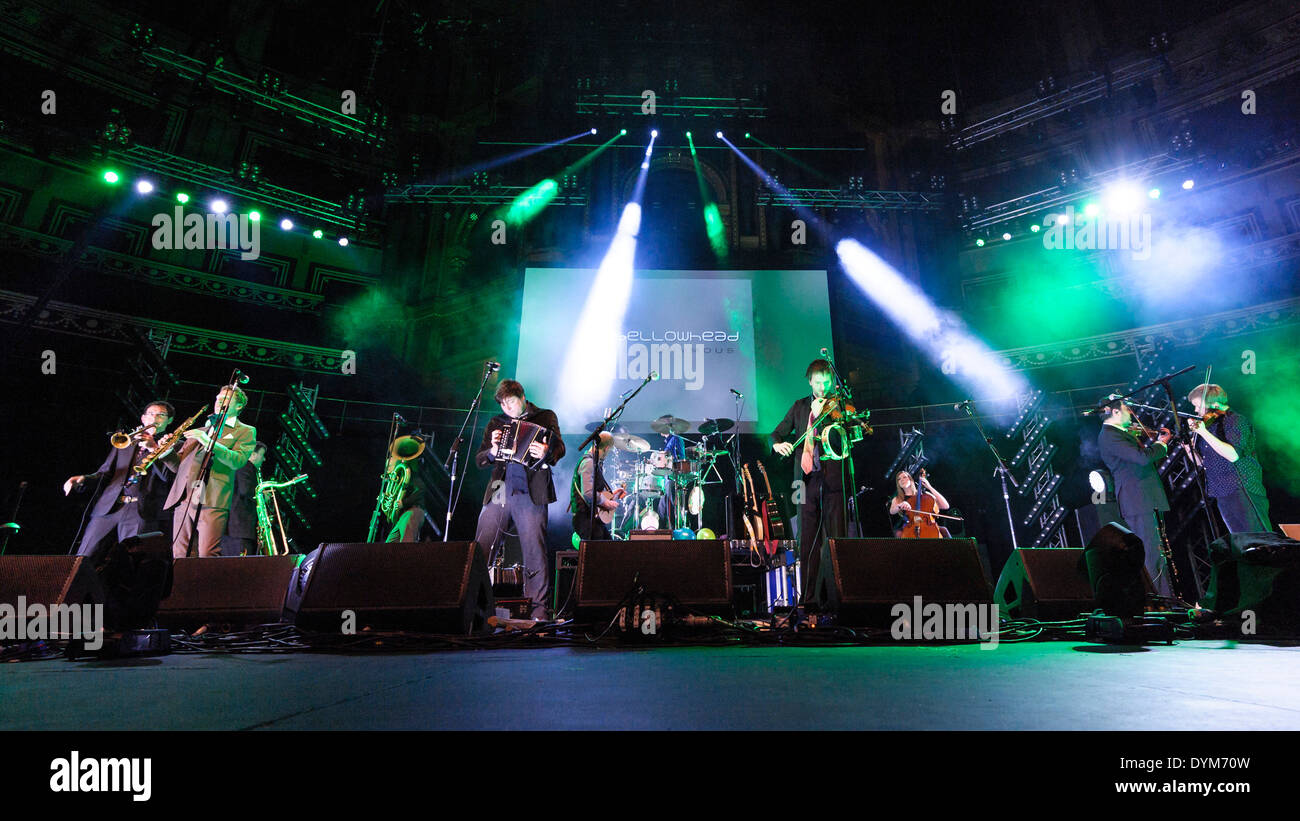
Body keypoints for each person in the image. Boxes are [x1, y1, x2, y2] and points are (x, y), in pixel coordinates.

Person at [474, 379, 565, 621]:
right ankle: (476, 607)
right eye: (503, 405)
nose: (508, 409)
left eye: (511, 403)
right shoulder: (497, 423)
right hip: (500, 489)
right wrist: (493, 451)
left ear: (522, 397)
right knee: (482, 547)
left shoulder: (545, 417)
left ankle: (539, 613)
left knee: (534, 551)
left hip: (530, 491)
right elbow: (480, 459)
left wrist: (546, 453)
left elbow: (560, 449)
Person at [770, 359, 845, 610]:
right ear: (810, 381)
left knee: (835, 538)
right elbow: (777, 433)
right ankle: (809, 600)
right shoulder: (800, 406)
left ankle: (837, 598)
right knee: (806, 539)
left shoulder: (838, 405)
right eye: (818, 382)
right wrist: (777, 444)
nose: (822, 387)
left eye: (826, 382)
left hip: (831, 479)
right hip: (801, 482)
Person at [64, 401, 175, 563]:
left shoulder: (173, 444)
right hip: (110, 508)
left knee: (134, 561)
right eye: (151, 414)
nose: (154, 418)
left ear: (169, 421)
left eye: (161, 415)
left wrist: (153, 448)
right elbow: (106, 472)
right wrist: (83, 479)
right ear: (143, 418)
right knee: (85, 556)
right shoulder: (126, 441)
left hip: (141, 511)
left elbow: (169, 477)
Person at [162, 385, 258, 558]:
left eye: (226, 399)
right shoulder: (200, 431)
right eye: (218, 398)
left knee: (207, 552)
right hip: (185, 497)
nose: (219, 402)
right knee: (179, 553)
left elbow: (237, 461)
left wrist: (209, 442)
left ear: (238, 406)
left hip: (212, 499)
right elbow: (179, 467)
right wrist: (166, 452)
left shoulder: (245, 431)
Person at [1096, 393, 1174, 597]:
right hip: (1138, 499)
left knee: (1159, 553)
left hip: (1145, 498)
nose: (1131, 413)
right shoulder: (1110, 435)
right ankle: (1162, 602)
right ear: (1115, 411)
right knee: (1151, 554)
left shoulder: (1119, 433)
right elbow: (1141, 459)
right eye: (1126, 409)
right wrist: (1161, 444)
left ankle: (1168, 598)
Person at [1186, 383, 1271, 533]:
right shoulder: (1209, 426)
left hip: (1242, 488)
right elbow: (1203, 464)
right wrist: (1189, 449)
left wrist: (1204, 433)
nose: (1195, 410)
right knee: (1241, 543)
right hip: (1220, 491)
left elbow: (1233, 455)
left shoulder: (1235, 420)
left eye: (1197, 406)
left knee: (1259, 540)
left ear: (1213, 402)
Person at [570, 431, 625, 543]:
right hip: (586, 519)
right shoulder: (588, 463)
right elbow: (588, 493)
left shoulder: (594, 463)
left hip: (592, 520)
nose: (608, 454)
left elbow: (594, 491)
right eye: (609, 451)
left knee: (608, 550)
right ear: (606, 448)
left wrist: (612, 495)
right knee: (598, 555)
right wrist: (606, 502)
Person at [219, 441, 266, 557]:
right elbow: (246, 490)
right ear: (253, 455)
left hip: (234, 530)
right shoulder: (246, 466)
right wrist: (263, 495)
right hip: (239, 529)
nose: (264, 459)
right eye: (262, 455)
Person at [888, 470, 951, 538]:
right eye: (899, 479)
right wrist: (900, 505)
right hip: (910, 526)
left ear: (910, 479)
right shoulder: (898, 499)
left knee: (944, 530)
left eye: (904, 477)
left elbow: (945, 506)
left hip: (927, 526)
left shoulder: (924, 495)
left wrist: (929, 487)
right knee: (897, 533)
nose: (902, 480)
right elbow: (892, 511)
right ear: (898, 483)